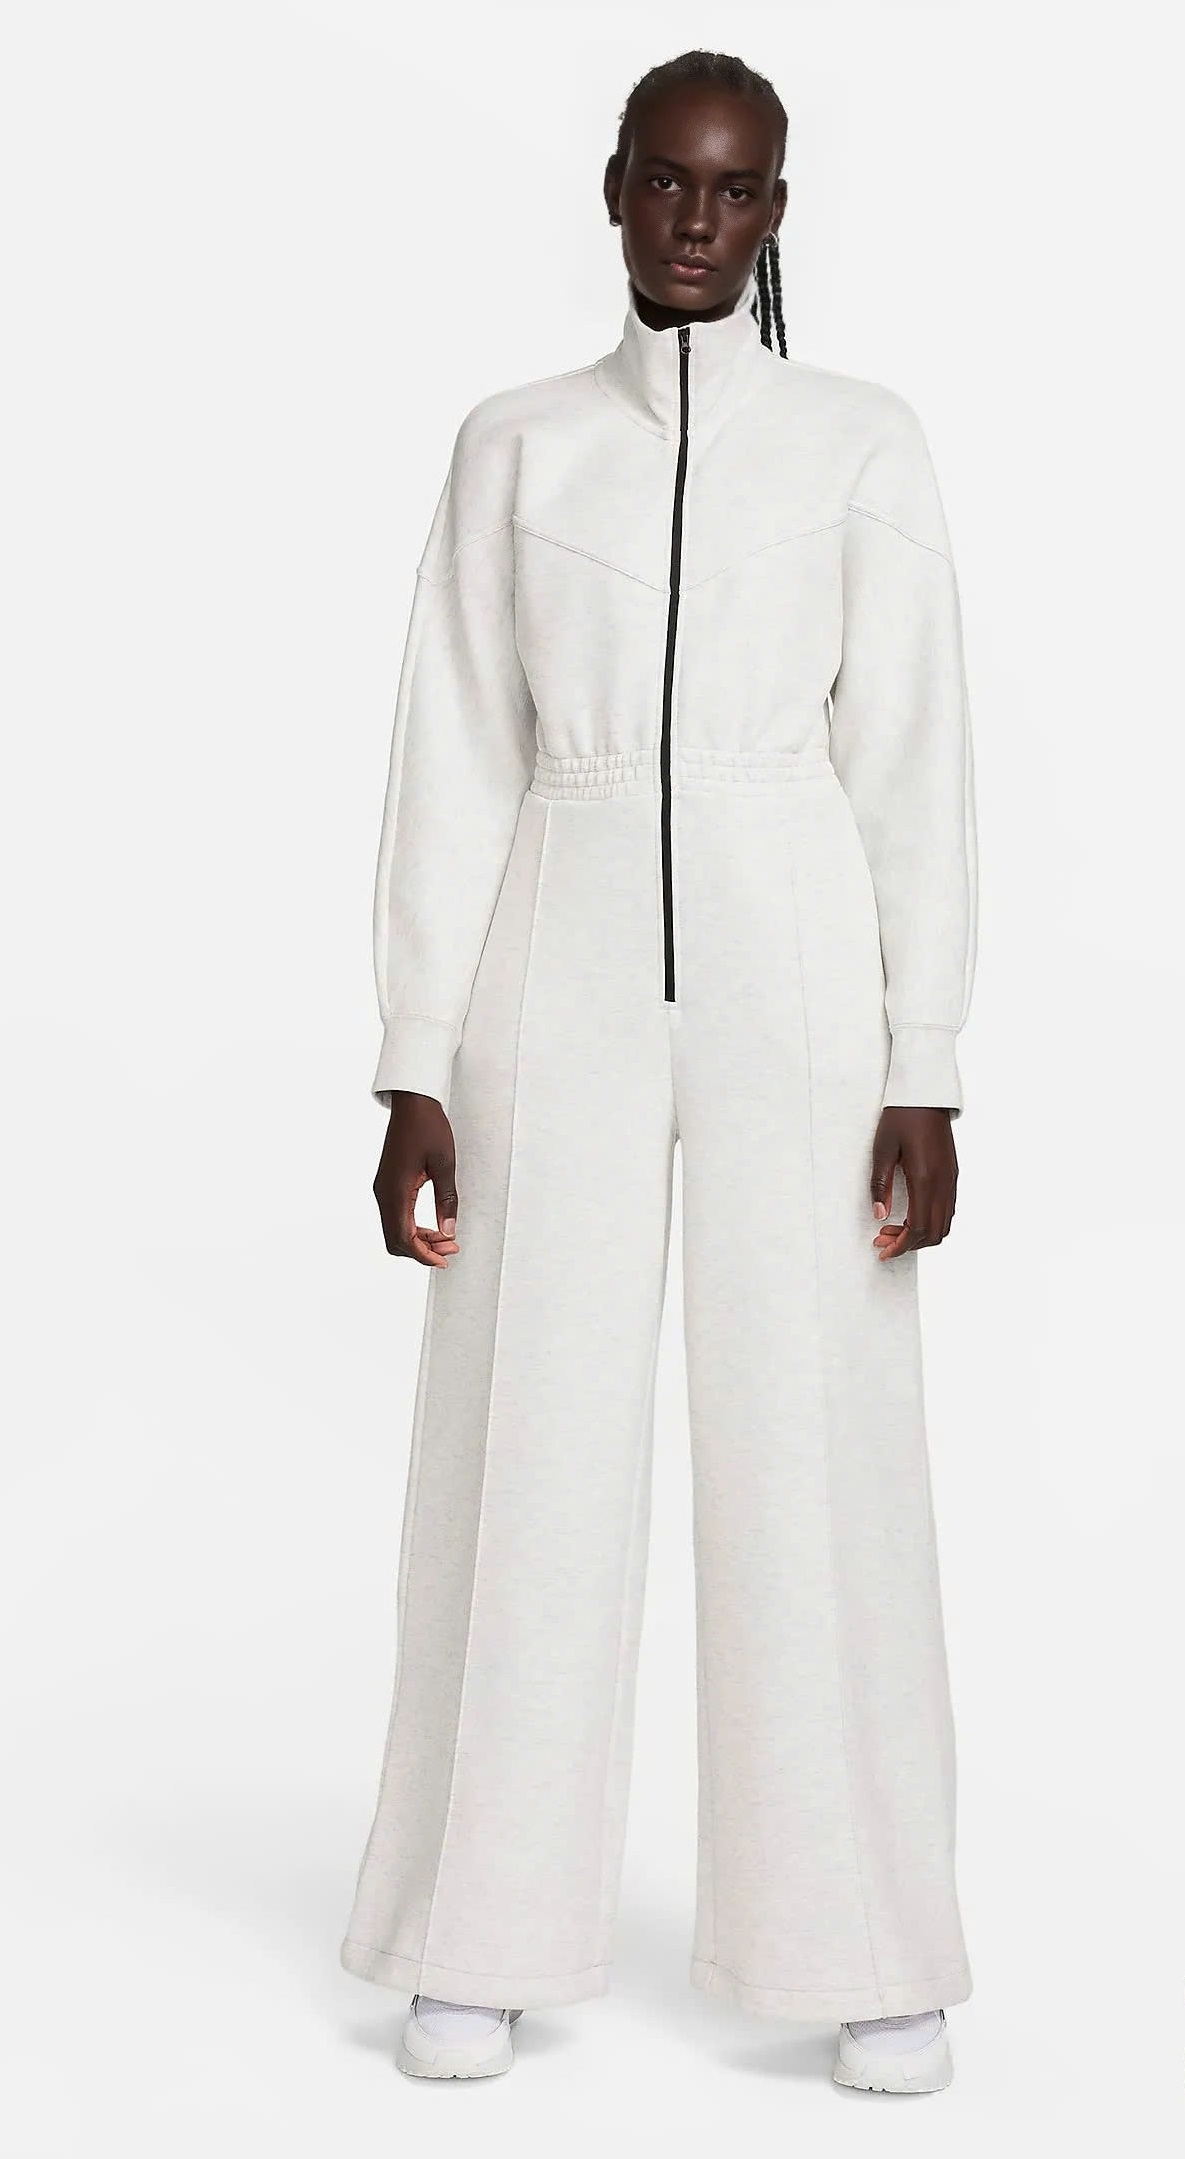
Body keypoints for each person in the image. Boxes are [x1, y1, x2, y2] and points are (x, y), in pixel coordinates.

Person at [339, 48, 978, 2095]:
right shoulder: (516, 447)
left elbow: (912, 757)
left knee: (820, 1442)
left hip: (797, 950)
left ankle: (867, 1946)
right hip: (564, 932)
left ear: (774, 212)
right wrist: (414, 1057)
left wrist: (924, 1058)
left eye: (735, 189)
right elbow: (453, 745)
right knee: (522, 1437)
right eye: (666, 181)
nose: (696, 219)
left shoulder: (859, 445)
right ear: (613, 189)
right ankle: (473, 1932)